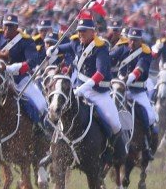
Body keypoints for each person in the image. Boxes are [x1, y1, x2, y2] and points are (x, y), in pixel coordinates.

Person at [52, 16, 127, 163]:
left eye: (84, 31)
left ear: (92, 32)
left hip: (99, 93)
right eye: (79, 31)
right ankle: (54, 147)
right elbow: (61, 48)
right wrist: (52, 50)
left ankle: (113, 151)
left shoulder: (101, 48)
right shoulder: (76, 43)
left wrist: (83, 88)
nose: (80, 34)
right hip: (78, 89)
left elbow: (100, 74)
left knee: (114, 123)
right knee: (58, 110)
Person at [0, 14, 47, 129]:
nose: (8, 29)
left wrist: (13, 68)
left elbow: (32, 61)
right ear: (2, 26)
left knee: (41, 104)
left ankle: (39, 131)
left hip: (19, 79)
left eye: (11, 27)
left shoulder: (26, 41)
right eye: (6, 26)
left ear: (16, 27)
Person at [110, 27, 158, 160]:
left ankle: (147, 145)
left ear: (140, 40)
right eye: (131, 40)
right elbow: (110, 58)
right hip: (119, 89)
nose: (132, 43)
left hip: (137, 91)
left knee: (150, 117)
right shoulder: (122, 48)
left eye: (136, 41)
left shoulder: (145, 52)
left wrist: (128, 79)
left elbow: (139, 69)